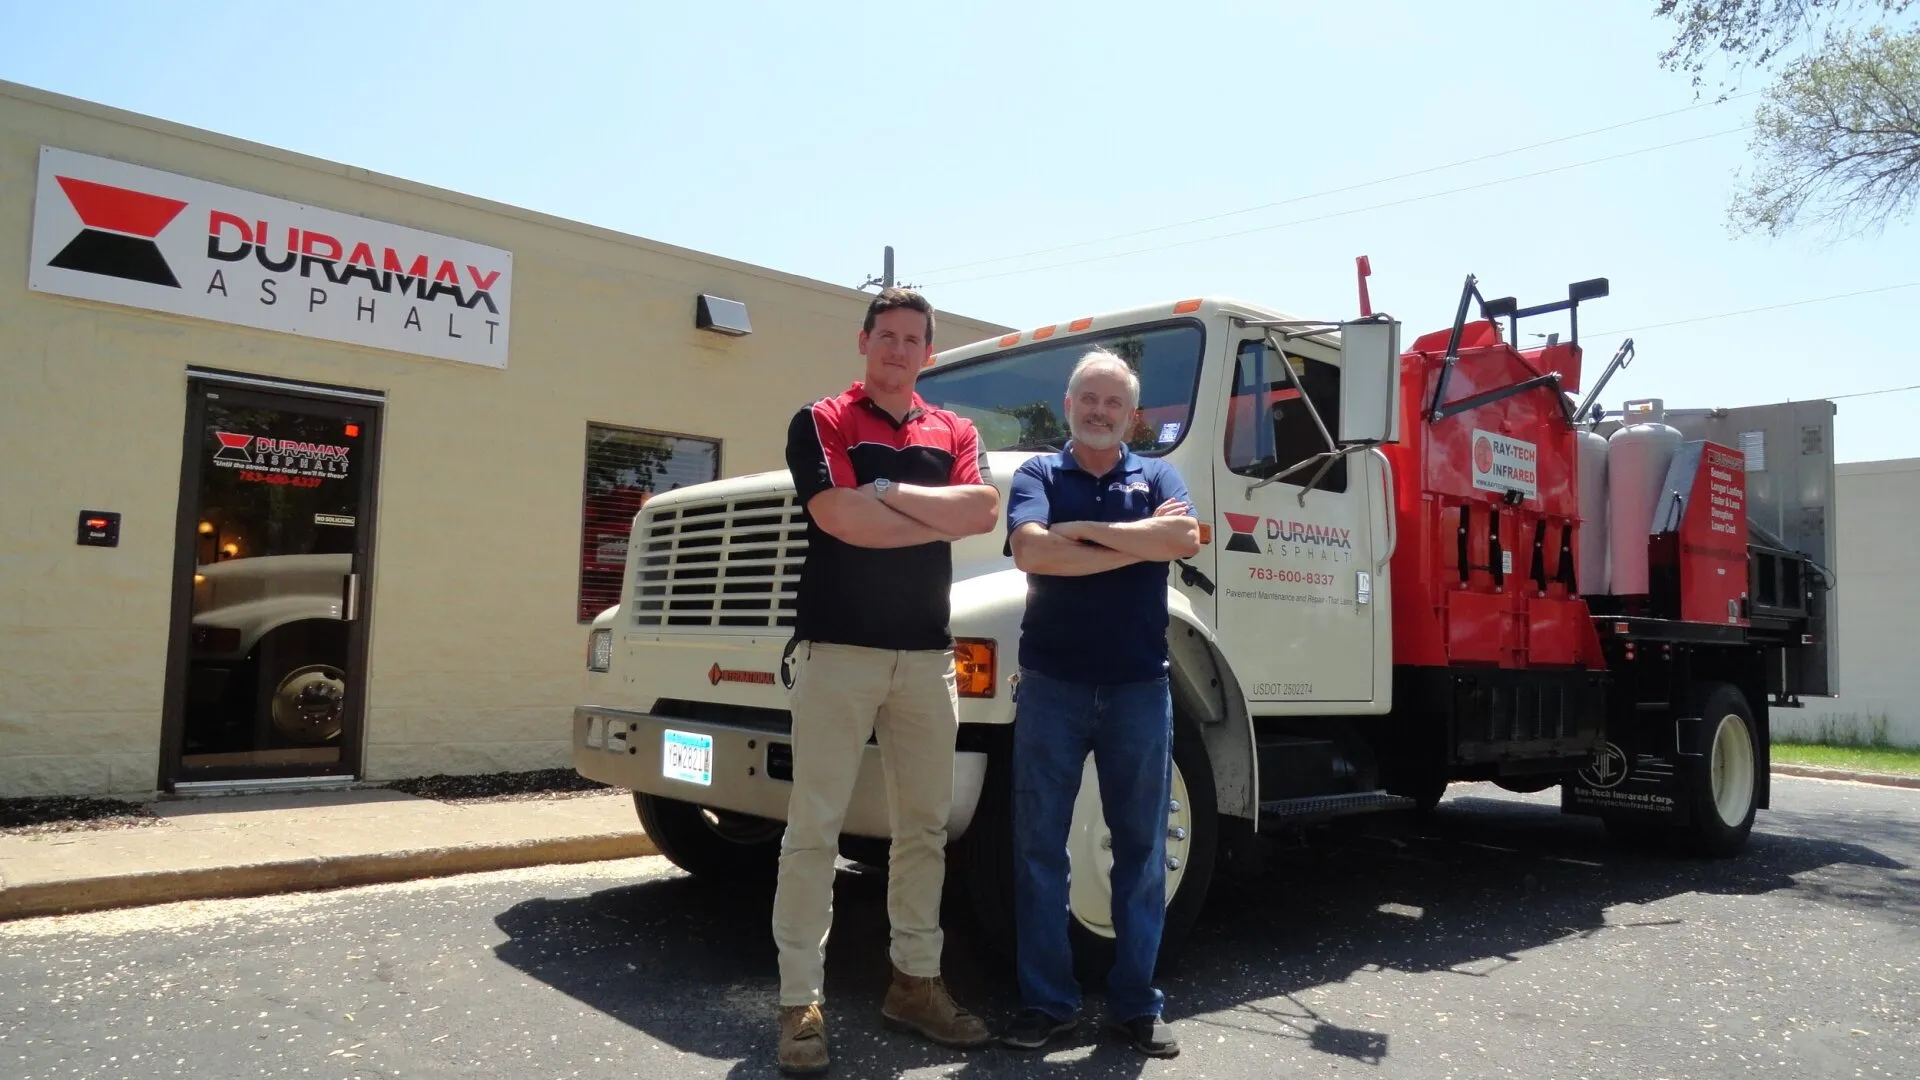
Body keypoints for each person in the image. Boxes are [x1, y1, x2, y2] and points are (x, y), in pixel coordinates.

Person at [772, 287, 1001, 1075]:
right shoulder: (823, 420)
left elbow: (980, 513)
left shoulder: (955, 429)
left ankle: (915, 982)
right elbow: (838, 517)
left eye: (913, 339)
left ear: (927, 353)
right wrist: (926, 513)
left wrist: (892, 494)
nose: (899, 349)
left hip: (927, 660)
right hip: (837, 654)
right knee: (815, 829)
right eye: (888, 335)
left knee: (924, 829)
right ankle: (800, 1002)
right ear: (864, 340)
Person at [999, 348, 1201, 1058]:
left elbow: (1185, 537)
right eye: (1089, 398)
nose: (1100, 411)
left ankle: (1135, 1007)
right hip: (1051, 687)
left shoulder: (1159, 474)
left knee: (1143, 852)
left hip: (1140, 687)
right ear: (1068, 405)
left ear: (1132, 415)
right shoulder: (1035, 474)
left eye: (1114, 402)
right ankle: (1047, 1003)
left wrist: (1084, 533)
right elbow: (1032, 553)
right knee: (1037, 850)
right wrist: (1137, 548)